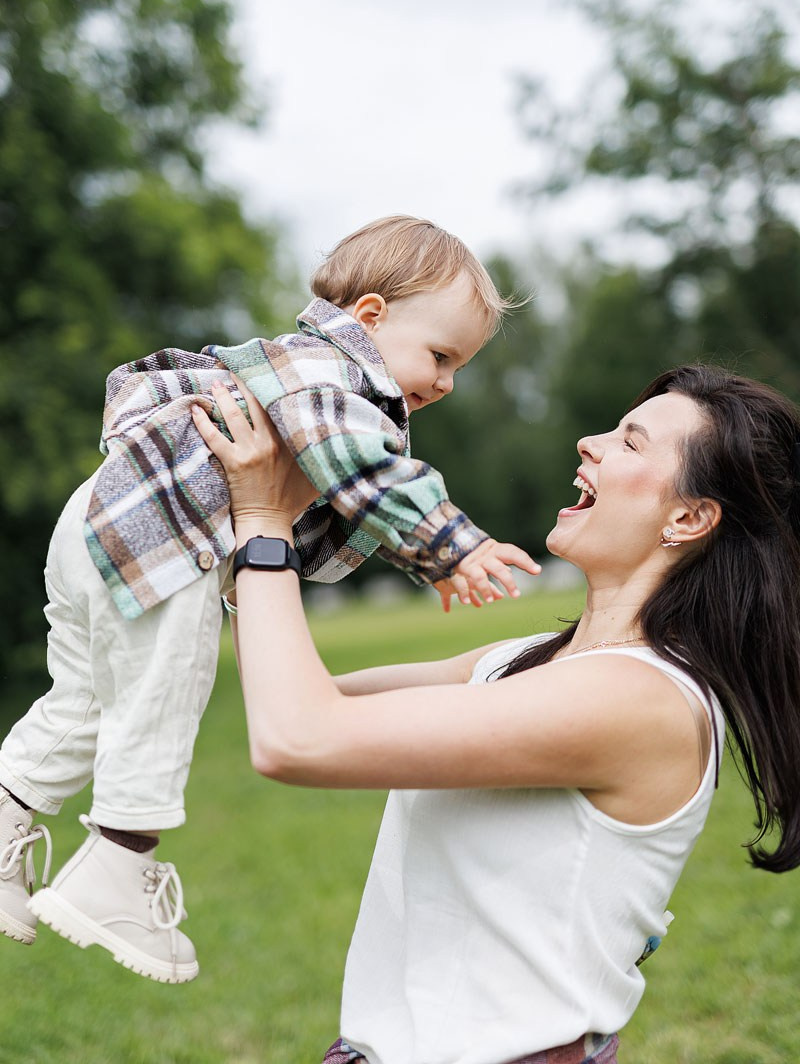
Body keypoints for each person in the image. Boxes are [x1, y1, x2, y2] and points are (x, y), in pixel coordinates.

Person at [191, 362, 800, 1064]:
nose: (588, 442)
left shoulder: (639, 699)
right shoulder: (527, 661)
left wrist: (263, 525)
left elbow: (296, 739)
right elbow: (293, 692)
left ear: (689, 518)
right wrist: (288, 498)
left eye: (630, 443)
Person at [0, 215, 539, 984]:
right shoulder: (330, 375)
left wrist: (428, 566)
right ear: (372, 318)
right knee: (165, 693)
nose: (446, 382)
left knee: (84, 698)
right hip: (165, 539)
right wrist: (457, 545)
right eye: (441, 355)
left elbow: (341, 492)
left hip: (103, 522)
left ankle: (4, 824)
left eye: (460, 367)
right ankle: (116, 870)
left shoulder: (306, 374)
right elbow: (365, 472)